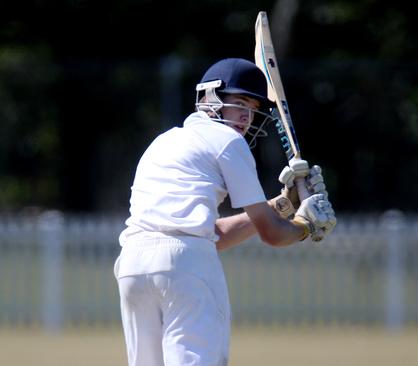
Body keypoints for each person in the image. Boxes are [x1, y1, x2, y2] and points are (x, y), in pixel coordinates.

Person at [114, 57, 336, 366]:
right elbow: (271, 235)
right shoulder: (228, 141)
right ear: (211, 97)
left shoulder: (162, 142)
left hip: (132, 267)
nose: (246, 117)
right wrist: (304, 227)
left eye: (254, 110)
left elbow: (211, 235)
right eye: (241, 103)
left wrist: (280, 206)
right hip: (187, 269)